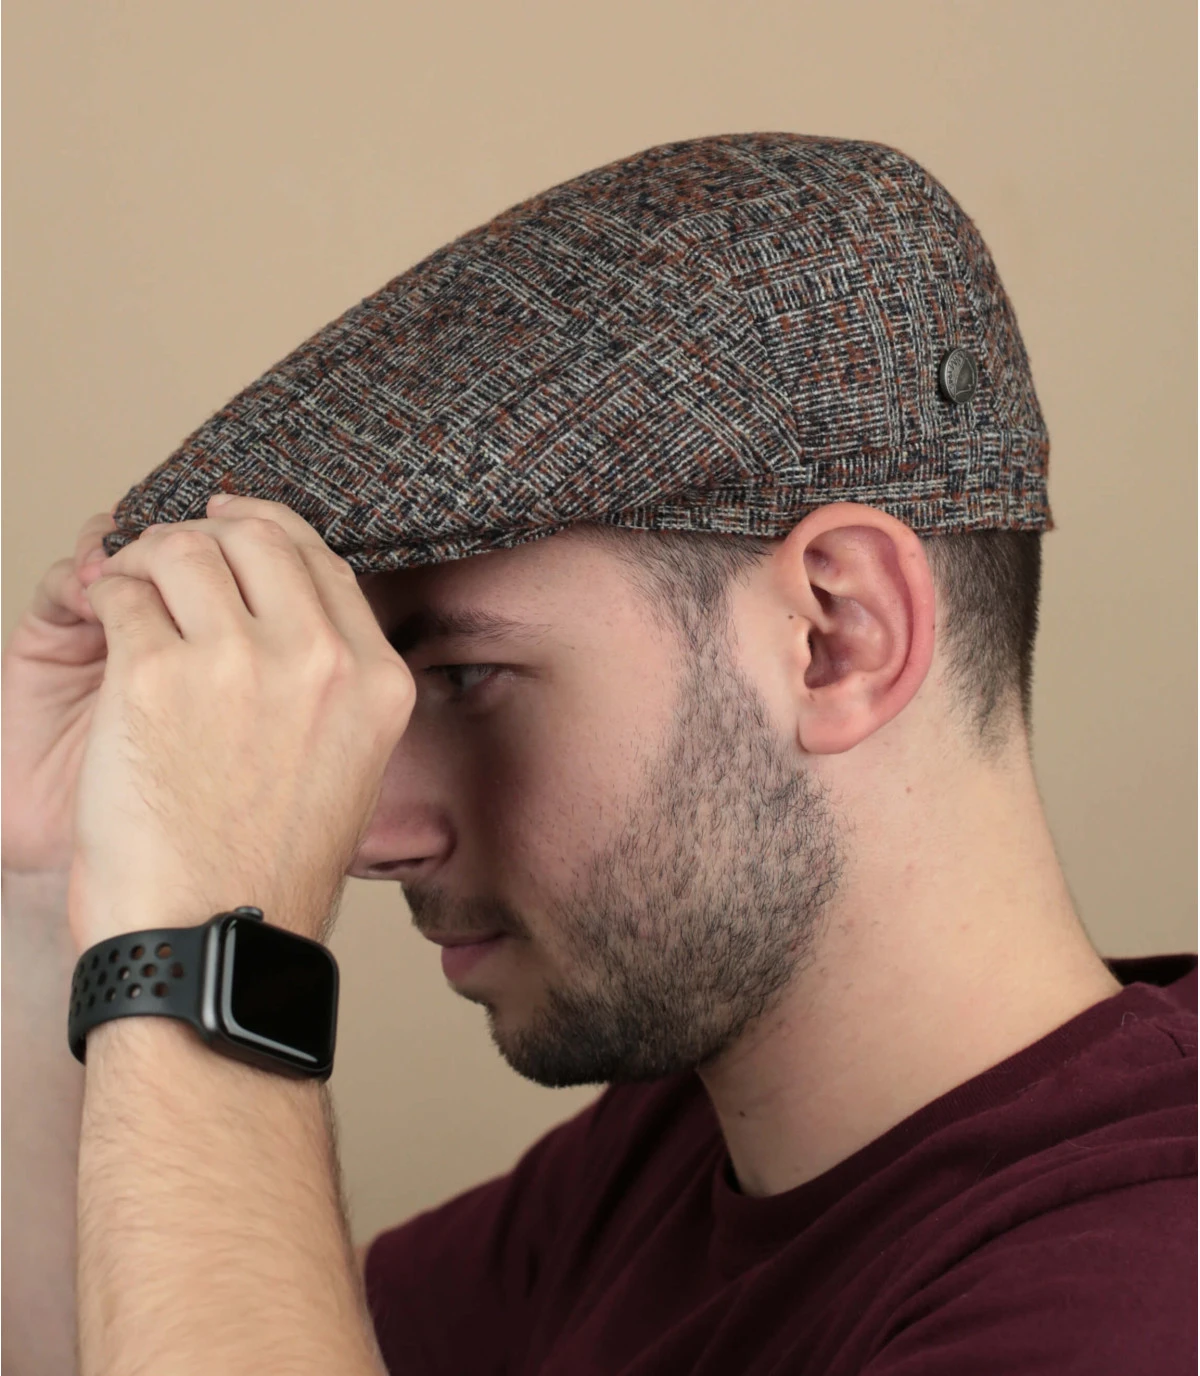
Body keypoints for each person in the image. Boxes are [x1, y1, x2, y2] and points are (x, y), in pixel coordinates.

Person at [3, 134, 1194, 1375]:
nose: (370, 832)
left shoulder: (1142, 1288)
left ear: (838, 635)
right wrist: (58, 887)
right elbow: (151, 1332)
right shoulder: (666, 1160)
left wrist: (212, 956)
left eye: (465, 678)